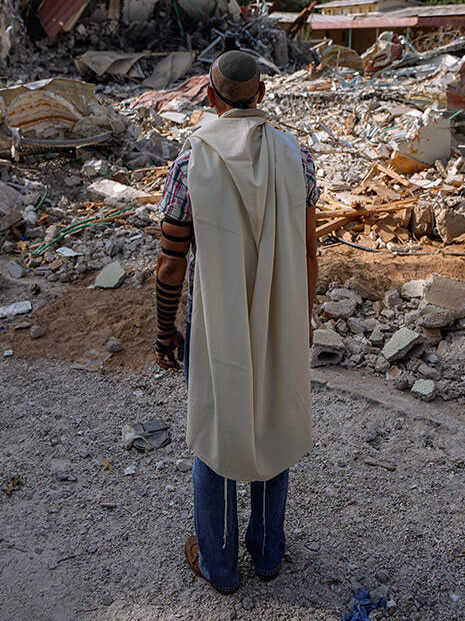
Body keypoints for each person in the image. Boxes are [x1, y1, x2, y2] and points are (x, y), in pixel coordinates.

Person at [153, 50, 319, 594]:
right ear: (262, 97)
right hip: (280, 308)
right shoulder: (296, 158)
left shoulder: (190, 162)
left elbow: (171, 260)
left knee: (216, 425)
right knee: (273, 411)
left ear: (210, 96)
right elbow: (308, 248)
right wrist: (305, 318)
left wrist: (164, 329)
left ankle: (219, 565)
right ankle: (268, 552)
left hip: (216, 316)